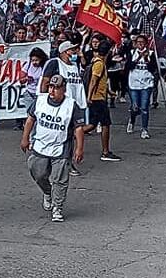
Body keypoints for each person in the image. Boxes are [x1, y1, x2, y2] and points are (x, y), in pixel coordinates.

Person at [20, 74, 87, 223]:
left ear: (63, 89)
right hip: (40, 146)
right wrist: (25, 138)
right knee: (37, 173)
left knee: (60, 179)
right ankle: (47, 192)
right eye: (51, 87)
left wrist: (79, 148)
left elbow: (78, 128)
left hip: (61, 149)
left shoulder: (71, 105)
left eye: (56, 88)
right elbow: (31, 119)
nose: (52, 90)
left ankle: (57, 207)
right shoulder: (40, 101)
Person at [87, 40, 121, 162]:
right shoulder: (99, 64)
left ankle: (73, 134)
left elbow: (100, 82)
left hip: (99, 97)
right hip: (97, 99)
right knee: (105, 124)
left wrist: (109, 92)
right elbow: (93, 81)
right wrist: (89, 97)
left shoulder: (99, 62)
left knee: (92, 125)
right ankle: (105, 152)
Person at [125, 34, 158, 139]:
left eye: (142, 42)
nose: (140, 44)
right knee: (135, 106)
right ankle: (132, 120)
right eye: (138, 42)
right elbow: (128, 66)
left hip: (146, 83)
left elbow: (153, 68)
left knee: (144, 107)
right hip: (134, 83)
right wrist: (138, 57)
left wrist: (146, 58)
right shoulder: (131, 53)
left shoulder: (151, 54)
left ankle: (144, 129)